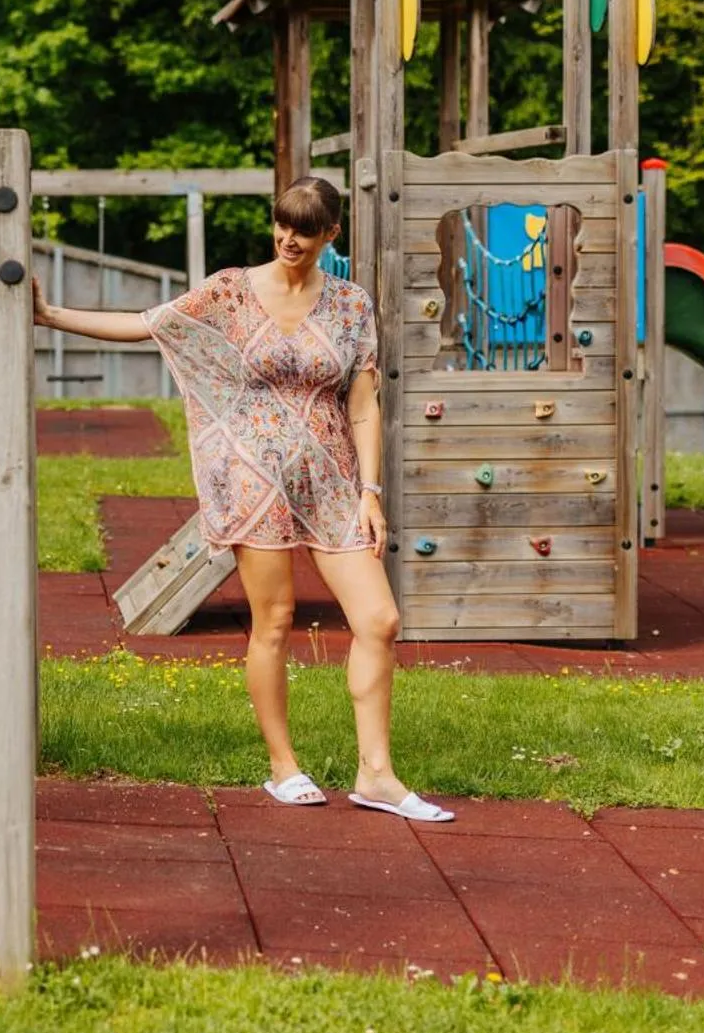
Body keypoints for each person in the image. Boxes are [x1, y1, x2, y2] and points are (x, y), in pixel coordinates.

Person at [32, 176, 452, 823]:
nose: (289, 238)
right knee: (275, 620)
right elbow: (148, 326)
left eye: (305, 230)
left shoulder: (349, 305)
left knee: (379, 620)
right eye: (282, 224)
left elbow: (364, 405)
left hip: (333, 476)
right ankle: (283, 767)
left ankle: (377, 775)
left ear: (329, 235)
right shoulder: (230, 289)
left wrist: (371, 492)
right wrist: (51, 315)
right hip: (254, 472)